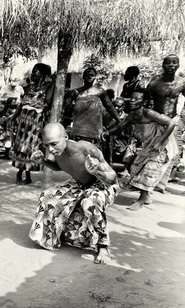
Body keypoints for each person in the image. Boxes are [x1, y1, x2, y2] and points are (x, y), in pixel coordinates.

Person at [29, 122, 119, 265]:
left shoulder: (88, 150)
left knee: (89, 202)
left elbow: (112, 178)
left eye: (53, 144)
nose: (50, 149)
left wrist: (96, 172)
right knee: (47, 196)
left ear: (65, 136)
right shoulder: (57, 151)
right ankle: (51, 237)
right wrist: (43, 161)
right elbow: (59, 167)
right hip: (79, 183)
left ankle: (103, 246)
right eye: (46, 145)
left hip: (103, 184)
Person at [104, 90, 178, 210]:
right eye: (132, 98)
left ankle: (141, 200)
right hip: (149, 145)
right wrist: (107, 133)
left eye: (137, 99)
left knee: (148, 171)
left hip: (162, 146)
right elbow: (120, 127)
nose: (132, 100)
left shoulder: (148, 113)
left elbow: (171, 123)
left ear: (145, 102)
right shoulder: (132, 115)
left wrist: (160, 142)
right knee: (135, 168)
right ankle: (147, 196)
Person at [10, 63, 54, 184]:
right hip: (23, 122)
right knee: (21, 147)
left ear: (43, 74)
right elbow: (21, 105)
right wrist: (13, 117)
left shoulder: (48, 87)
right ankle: (21, 172)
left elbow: (49, 102)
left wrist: (52, 81)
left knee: (31, 148)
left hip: (36, 123)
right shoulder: (29, 87)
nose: (33, 74)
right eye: (33, 72)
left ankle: (26, 173)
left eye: (36, 72)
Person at [146, 54, 185, 188]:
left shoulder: (182, 83)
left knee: (170, 154)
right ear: (163, 65)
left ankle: (160, 184)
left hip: (173, 121)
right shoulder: (154, 83)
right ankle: (146, 183)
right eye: (168, 63)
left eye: (174, 63)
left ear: (178, 65)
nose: (171, 65)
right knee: (151, 152)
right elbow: (145, 101)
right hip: (156, 121)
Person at [65, 67, 121, 147]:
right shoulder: (76, 93)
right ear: (83, 77)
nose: (89, 77)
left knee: (93, 156)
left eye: (92, 75)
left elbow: (110, 107)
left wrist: (119, 120)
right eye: (87, 75)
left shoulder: (100, 92)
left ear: (95, 77)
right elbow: (66, 109)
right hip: (78, 131)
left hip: (94, 131)